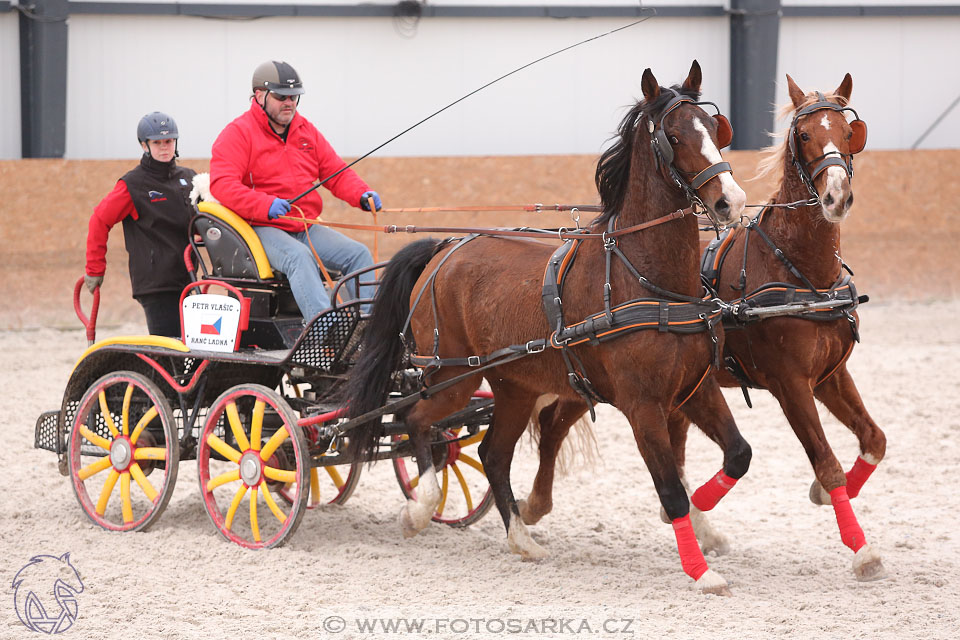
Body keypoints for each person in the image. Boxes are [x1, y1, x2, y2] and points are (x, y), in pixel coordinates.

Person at [209, 60, 380, 322]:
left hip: (304, 226)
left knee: (358, 254)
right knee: (299, 258)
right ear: (259, 96)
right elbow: (222, 185)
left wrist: (361, 193)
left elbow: (335, 171)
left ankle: (370, 329)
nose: (289, 102)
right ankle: (326, 333)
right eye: (281, 96)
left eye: (294, 96)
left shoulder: (306, 131)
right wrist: (265, 204)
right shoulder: (238, 134)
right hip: (261, 227)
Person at [85, 112, 196, 338]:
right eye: (157, 142)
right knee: (170, 350)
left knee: (193, 350)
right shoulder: (133, 185)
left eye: (169, 141)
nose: (164, 147)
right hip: (157, 284)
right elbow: (99, 219)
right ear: (144, 145)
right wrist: (95, 268)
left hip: (188, 278)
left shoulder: (189, 178)